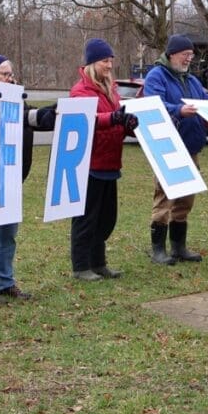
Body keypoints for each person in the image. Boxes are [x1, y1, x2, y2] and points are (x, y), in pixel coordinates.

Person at [0, 47, 56, 305]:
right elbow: (4, 121)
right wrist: (33, 115)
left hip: (12, 173)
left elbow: (32, 119)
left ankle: (3, 281)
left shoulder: (14, 97)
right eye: (3, 74)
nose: (10, 78)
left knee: (8, 232)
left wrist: (54, 113)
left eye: (11, 74)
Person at [68, 38, 138, 281]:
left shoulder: (112, 89)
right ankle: (81, 265)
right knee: (86, 217)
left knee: (106, 218)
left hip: (111, 162)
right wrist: (114, 118)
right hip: (90, 163)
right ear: (91, 63)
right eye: (104, 61)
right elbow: (87, 120)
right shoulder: (81, 91)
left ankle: (99, 262)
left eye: (110, 60)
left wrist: (129, 124)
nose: (109, 65)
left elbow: (116, 118)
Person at [143, 34, 208, 265]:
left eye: (191, 55)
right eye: (185, 55)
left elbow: (206, 100)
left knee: (186, 199)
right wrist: (178, 110)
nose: (189, 59)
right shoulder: (156, 76)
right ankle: (158, 250)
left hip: (190, 146)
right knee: (165, 197)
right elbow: (154, 103)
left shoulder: (191, 80)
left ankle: (179, 247)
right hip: (167, 146)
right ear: (172, 54)